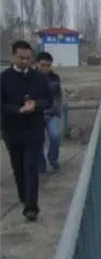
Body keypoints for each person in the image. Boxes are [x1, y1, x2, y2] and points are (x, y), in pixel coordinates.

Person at [1, 41, 53, 222]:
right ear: (13, 56)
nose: (25, 61)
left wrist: (36, 104)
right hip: (12, 131)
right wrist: (17, 110)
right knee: (18, 168)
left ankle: (31, 207)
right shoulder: (4, 78)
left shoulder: (39, 78)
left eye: (28, 58)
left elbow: (48, 100)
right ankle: (24, 197)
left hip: (33, 130)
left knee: (31, 167)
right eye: (21, 58)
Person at [35, 51, 63, 172]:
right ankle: (41, 164)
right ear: (37, 64)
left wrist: (53, 110)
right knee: (37, 140)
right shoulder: (30, 78)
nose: (45, 68)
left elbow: (58, 97)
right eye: (43, 65)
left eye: (48, 65)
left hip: (51, 113)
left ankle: (53, 159)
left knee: (55, 136)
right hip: (35, 115)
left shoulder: (55, 78)